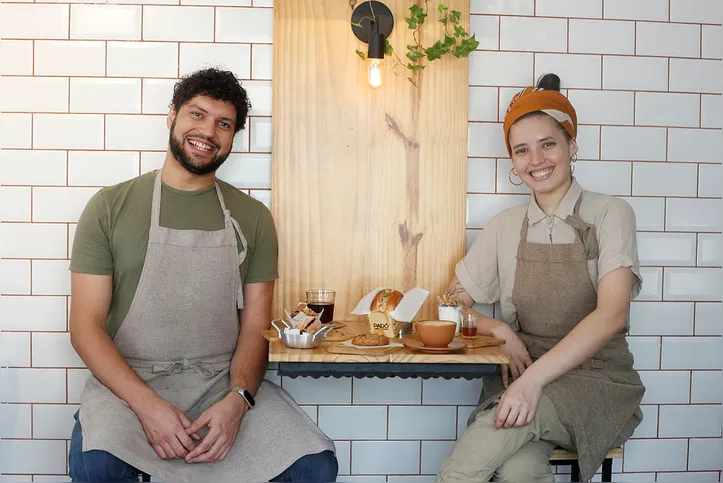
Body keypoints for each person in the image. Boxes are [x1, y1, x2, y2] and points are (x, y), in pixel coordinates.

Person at [68, 68, 338, 483]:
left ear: (233, 138)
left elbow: (256, 329)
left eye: (223, 124)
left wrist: (238, 400)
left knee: (313, 466)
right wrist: (147, 406)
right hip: (130, 385)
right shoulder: (109, 207)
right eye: (197, 115)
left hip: (221, 383)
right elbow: (85, 329)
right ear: (172, 117)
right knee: (99, 467)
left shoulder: (253, 218)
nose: (208, 131)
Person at [436, 73, 645, 483]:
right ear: (512, 162)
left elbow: (612, 316)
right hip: (521, 377)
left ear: (572, 145)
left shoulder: (609, 214)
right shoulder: (504, 226)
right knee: (517, 472)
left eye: (548, 143)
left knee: (462, 471)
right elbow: (449, 306)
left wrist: (532, 382)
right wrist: (499, 329)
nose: (536, 160)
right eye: (522, 150)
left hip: (596, 381)